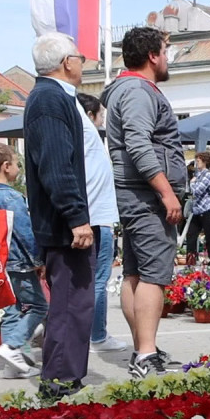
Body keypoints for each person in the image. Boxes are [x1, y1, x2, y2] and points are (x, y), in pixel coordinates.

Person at [102, 26, 185, 378]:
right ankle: (146, 355)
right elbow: (138, 145)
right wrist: (166, 192)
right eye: (165, 51)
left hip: (135, 194)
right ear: (152, 55)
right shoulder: (137, 90)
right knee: (153, 274)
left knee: (135, 273)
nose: (167, 58)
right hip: (146, 196)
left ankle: (142, 348)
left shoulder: (128, 89)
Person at [23, 33, 96, 401]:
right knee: (70, 305)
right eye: (80, 57)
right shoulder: (50, 99)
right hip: (64, 227)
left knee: (73, 304)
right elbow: (56, 166)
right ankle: (60, 385)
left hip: (64, 223)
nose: (83, 63)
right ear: (67, 62)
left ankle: (63, 380)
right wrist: (76, 217)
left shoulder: (50, 98)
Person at [0, 143, 45, 378]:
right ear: (6, 167)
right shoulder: (12, 198)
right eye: (17, 164)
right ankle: (11, 346)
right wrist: (39, 260)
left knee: (12, 310)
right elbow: (25, 232)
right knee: (39, 306)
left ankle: (13, 366)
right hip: (18, 263)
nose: (19, 168)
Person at [75, 92, 128, 354]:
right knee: (98, 281)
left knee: (86, 281)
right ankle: (97, 334)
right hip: (98, 220)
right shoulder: (90, 140)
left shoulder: (78, 143)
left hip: (90, 218)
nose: (102, 120)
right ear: (89, 116)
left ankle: (88, 334)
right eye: (100, 115)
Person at [184, 152, 210, 266]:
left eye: (198, 161)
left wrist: (192, 183)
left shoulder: (207, 175)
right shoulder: (198, 175)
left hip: (208, 208)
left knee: (209, 235)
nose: (196, 163)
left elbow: (197, 191)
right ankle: (191, 258)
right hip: (197, 209)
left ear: (205, 162)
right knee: (191, 234)